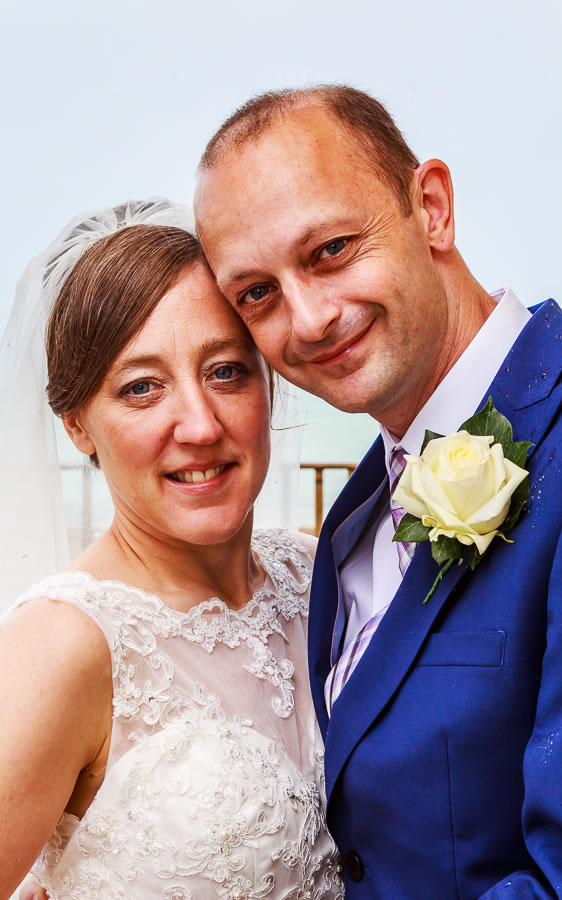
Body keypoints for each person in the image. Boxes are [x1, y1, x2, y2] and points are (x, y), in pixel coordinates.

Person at [192, 86, 562, 897]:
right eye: (258, 294)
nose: (309, 319)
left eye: (331, 250)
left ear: (433, 209)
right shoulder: (358, 512)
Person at [0, 199, 344, 899]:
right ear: (76, 424)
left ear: (268, 381)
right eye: (142, 388)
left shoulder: (318, 574)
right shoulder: (63, 646)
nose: (199, 424)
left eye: (226, 371)